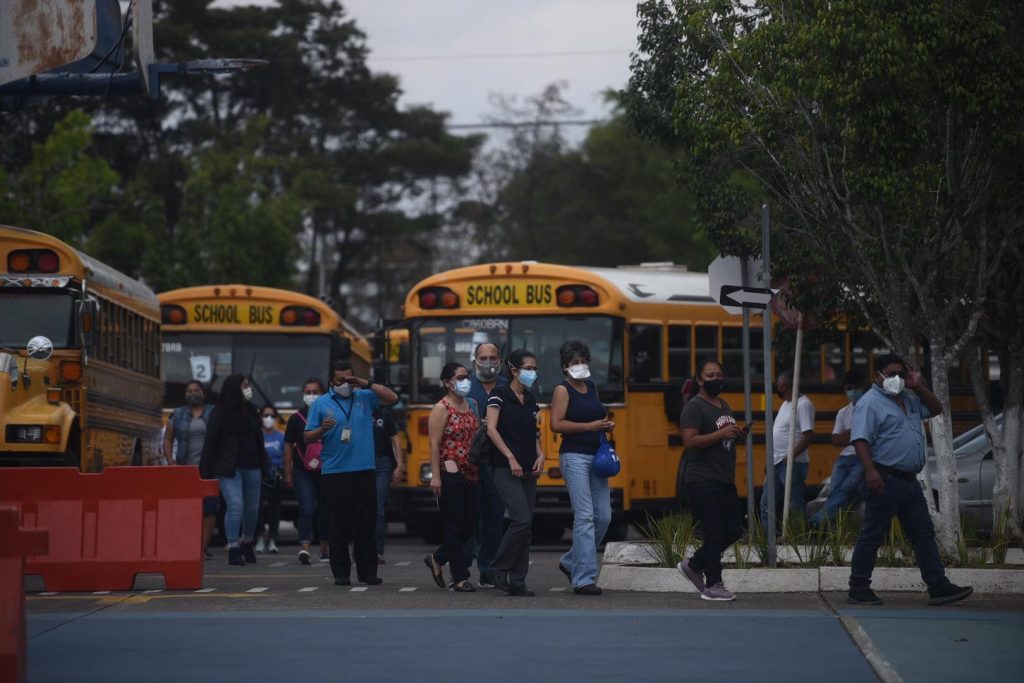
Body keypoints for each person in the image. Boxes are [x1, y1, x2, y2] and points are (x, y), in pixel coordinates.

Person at [847, 355, 972, 606]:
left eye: (901, 374)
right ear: (877, 376)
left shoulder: (910, 399)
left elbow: (936, 409)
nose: (896, 379)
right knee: (872, 534)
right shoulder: (870, 403)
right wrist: (870, 472)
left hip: (908, 482)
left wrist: (917, 385)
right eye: (890, 374)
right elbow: (860, 439)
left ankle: (938, 585)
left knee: (923, 533)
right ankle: (858, 587)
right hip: (884, 478)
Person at [304, 362, 398, 586]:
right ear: (330, 382)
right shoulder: (320, 403)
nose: (344, 384)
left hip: (365, 469)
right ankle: (341, 573)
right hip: (335, 472)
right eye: (339, 380)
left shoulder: (365, 396)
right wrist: (321, 429)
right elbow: (307, 437)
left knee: (366, 524)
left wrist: (366, 383)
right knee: (338, 525)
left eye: (349, 379)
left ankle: (368, 573)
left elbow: (392, 398)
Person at [676, 359, 745, 602]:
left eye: (719, 374)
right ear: (699, 380)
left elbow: (724, 435)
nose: (716, 379)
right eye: (710, 375)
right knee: (715, 533)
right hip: (702, 479)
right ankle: (713, 584)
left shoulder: (723, 404)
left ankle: (694, 565)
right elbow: (690, 441)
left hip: (724, 478)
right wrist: (721, 434)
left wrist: (736, 433)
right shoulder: (694, 407)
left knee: (734, 530)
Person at [550, 339, 613, 596]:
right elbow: (556, 424)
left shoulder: (591, 386)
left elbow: (595, 417)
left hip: (596, 456)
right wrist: (591, 427)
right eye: (574, 362)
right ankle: (583, 579)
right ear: (565, 367)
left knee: (604, 515)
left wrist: (604, 426)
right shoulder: (562, 390)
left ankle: (569, 561)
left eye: (583, 361)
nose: (580, 366)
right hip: (574, 456)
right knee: (585, 516)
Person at [486, 349, 545, 597]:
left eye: (534, 368)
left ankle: (517, 580)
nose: (532, 372)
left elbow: (533, 434)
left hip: (529, 469)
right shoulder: (499, 395)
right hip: (505, 468)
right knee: (521, 519)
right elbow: (491, 429)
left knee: (526, 526)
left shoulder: (531, 400)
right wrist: (510, 457)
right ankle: (497, 569)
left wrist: (541, 454)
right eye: (528, 368)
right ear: (514, 370)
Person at [423, 363, 481, 592]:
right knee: (454, 525)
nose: (465, 381)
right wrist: (436, 476)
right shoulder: (441, 408)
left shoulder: (472, 404)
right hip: (450, 469)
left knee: (471, 524)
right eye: (459, 377)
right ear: (447, 382)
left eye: (467, 376)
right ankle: (459, 577)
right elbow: (434, 444)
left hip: (472, 470)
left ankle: (438, 558)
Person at [199, 374, 267, 566]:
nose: (248, 389)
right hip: (228, 467)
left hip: (252, 465)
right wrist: (204, 473)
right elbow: (210, 442)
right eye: (244, 385)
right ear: (234, 388)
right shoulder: (219, 412)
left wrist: (265, 464)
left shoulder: (253, 410)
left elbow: (258, 440)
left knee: (252, 510)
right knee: (235, 504)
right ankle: (233, 546)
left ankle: (247, 541)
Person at [465, 342, 507, 587]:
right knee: (468, 518)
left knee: (493, 518)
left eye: (493, 357)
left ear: (500, 360)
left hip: (497, 461)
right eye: (484, 357)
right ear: (475, 360)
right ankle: (460, 571)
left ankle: (488, 569)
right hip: (468, 461)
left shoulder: (507, 387)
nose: (488, 362)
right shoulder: (465, 385)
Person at [164, 379, 217, 559]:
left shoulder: (214, 412)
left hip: (208, 469)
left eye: (196, 390)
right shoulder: (177, 414)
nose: (192, 393)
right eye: (189, 391)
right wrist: (171, 460)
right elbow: (167, 439)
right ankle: (187, 545)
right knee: (187, 509)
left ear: (204, 393)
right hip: (185, 470)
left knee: (209, 509)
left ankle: (202, 548)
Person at [810, 370, 868, 528]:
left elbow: (870, 438)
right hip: (844, 458)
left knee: (846, 489)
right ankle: (829, 527)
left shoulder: (870, 409)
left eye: (856, 387)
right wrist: (856, 435)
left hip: (861, 457)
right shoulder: (844, 412)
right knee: (836, 491)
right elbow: (835, 439)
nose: (852, 391)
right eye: (849, 388)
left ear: (863, 387)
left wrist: (848, 435)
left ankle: (816, 522)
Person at [760, 370, 815, 527]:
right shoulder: (786, 404)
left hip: (792, 463)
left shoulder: (804, 405)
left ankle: (800, 537)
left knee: (795, 503)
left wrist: (790, 456)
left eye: (778, 386)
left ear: (783, 386)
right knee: (766, 504)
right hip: (776, 462)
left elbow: (808, 435)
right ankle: (768, 539)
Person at [284, 378, 329, 565]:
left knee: (325, 509)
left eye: (315, 392)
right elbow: (288, 447)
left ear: (323, 393)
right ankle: (304, 548)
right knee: (306, 508)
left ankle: (324, 549)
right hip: (302, 470)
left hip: (326, 469)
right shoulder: (296, 419)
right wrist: (288, 473)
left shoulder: (329, 415)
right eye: (308, 392)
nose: (311, 396)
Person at [372, 406, 405, 564]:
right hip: (360, 463)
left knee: (378, 509)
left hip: (382, 463)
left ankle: (377, 551)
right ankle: (361, 549)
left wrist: (399, 465)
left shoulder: (384, 414)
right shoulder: (355, 412)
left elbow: (395, 439)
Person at [256, 405, 285, 554]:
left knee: (275, 508)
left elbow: (286, 456)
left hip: (276, 476)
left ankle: (273, 538)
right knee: (258, 508)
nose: (269, 419)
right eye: (265, 415)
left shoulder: (281, 436)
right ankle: (260, 537)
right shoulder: (257, 436)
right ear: (260, 418)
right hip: (259, 476)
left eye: (272, 416)